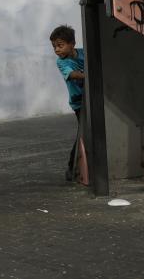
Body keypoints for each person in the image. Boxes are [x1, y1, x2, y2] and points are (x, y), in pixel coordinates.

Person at [49, 24, 85, 182]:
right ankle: (71, 167)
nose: (56, 50)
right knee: (82, 134)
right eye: (54, 46)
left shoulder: (84, 53)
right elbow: (73, 75)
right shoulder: (61, 62)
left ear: (72, 44)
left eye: (60, 45)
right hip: (79, 103)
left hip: (92, 98)